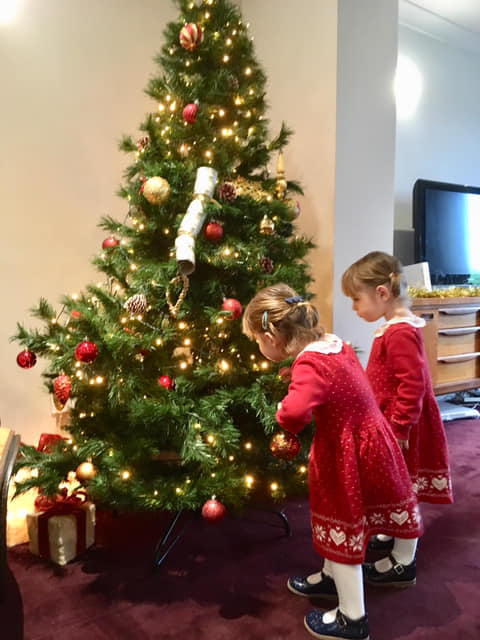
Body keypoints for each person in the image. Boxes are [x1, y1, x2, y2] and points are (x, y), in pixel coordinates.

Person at [242, 283, 423, 640]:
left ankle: (352, 618)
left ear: (271, 337)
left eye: (256, 341)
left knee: (341, 523)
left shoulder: (308, 362)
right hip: (372, 439)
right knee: (348, 522)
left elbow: (295, 413)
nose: (258, 348)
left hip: (344, 453)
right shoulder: (334, 344)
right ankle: (330, 577)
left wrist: (283, 412)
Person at [342, 251, 453, 588]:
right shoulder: (393, 327)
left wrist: (400, 426)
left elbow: (414, 382)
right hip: (394, 421)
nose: (354, 308)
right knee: (397, 483)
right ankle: (396, 537)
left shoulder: (400, 331)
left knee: (405, 488)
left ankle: (404, 560)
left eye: (356, 299)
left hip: (404, 426)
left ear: (381, 293)